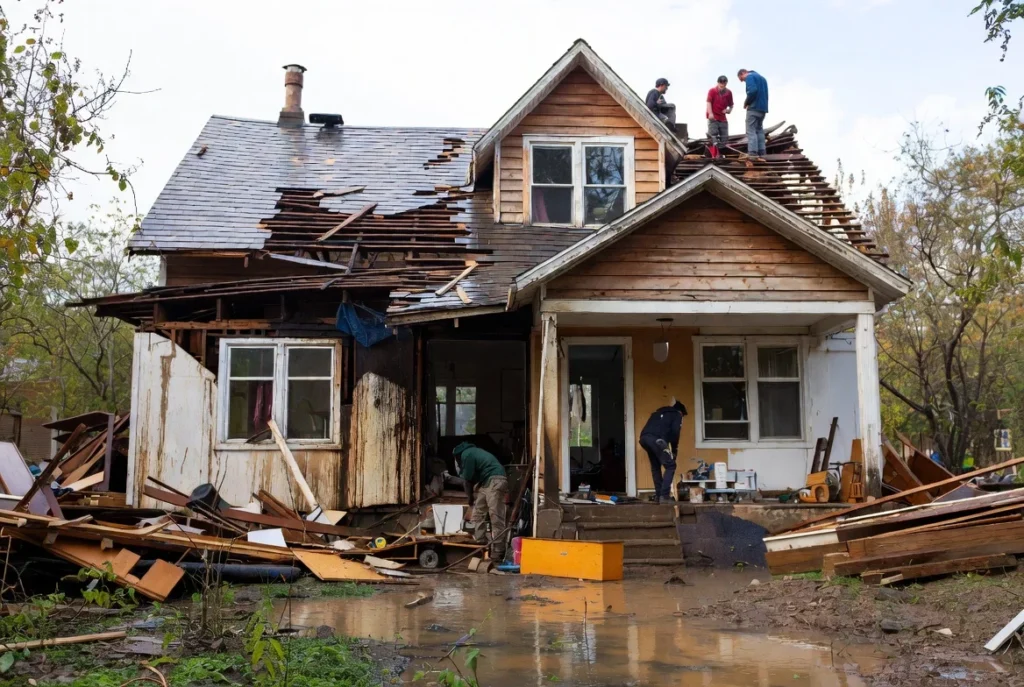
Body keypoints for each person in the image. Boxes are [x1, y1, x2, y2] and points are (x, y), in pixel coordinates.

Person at [453, 441, 508, 561]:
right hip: (487, 480)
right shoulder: (473, 452)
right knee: (477, 514)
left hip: (496, 479)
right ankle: (480, 544)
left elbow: (467, 481)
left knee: (495, 515)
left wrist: (470, 498)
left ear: (457, 456)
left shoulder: (466, 455)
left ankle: (498, 550)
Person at [639, 400, 688, 503]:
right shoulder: (676, 415)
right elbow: (675, 433)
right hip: (656, 440)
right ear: (681, 412)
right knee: (671, 466)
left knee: (656, 467)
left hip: (644, 439)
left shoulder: (657, 413)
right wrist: (674, 450)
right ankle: (664, 496)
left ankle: (658, 495)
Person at [737, 68, 769, 161]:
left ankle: (752, 153)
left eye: (741, 79)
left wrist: (747, 102)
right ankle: (762, 152)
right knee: (759, 130)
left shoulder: (750, 77)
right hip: (763, 109)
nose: (743, 81)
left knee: (751, 130)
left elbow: (753, 91)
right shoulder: (763, 78)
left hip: (754, 108)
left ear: (743, 73)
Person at [706, 75, 734, 158]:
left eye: (724, 83)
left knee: (724, 137)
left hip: (722, 118)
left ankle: (721, 155)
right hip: (713, 118)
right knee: (713, 137)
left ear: (726, 83)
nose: (722, 85)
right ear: (718, 83)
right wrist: (710, 113)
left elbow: (731, 105)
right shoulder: (712, 91)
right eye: (720, 83)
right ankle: (714, 155)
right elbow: (708, 102)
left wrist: (728, 110)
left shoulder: (729, 93)